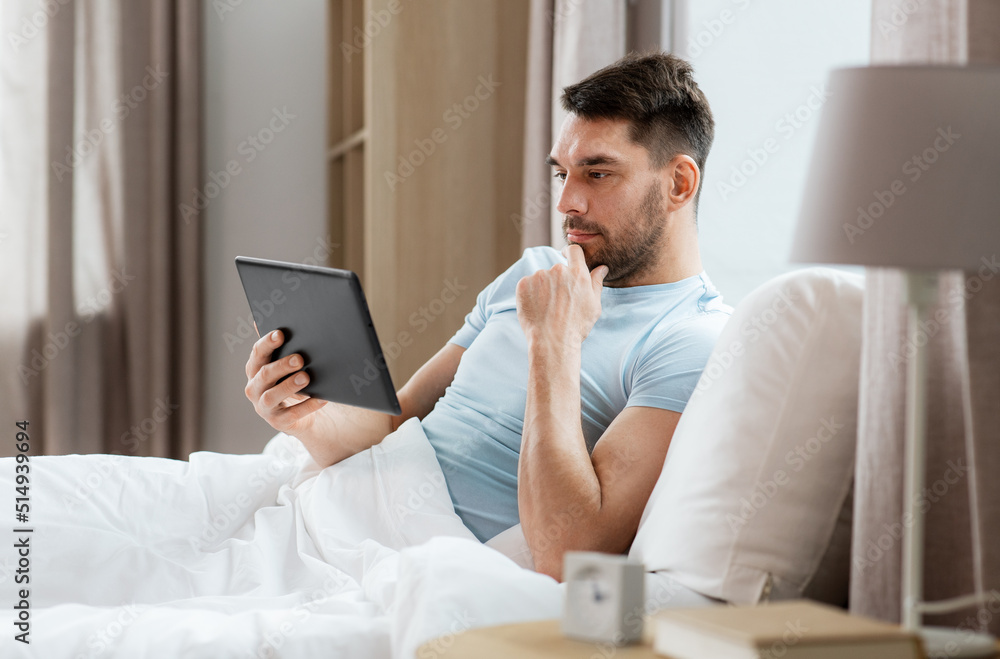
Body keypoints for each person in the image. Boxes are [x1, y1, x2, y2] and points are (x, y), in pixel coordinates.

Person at [244, 51, 731, 581]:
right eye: (562, 174)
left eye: (597, 173)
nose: (567, 201)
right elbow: (394, 424)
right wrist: (305, 415)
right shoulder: (532, 274)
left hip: (416, 559)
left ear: (680, 184)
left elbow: (568, 551)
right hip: (339, 508)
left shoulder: (692, 341)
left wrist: (554, 343)